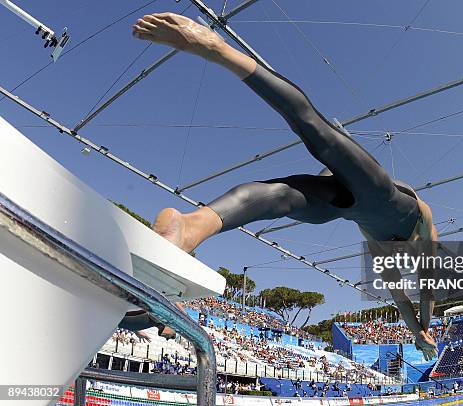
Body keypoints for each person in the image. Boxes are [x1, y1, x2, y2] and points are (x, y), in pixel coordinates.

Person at [131, 12, 438, 360]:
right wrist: (425, 324)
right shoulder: (423, 226)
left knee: (276, 197)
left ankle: (188, 227)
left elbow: (402, 298)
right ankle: (216, 47)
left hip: (342, 203)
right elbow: (426, 291)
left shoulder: (387, 254)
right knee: (314, 128)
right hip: (373, 188)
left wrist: (421, 334)